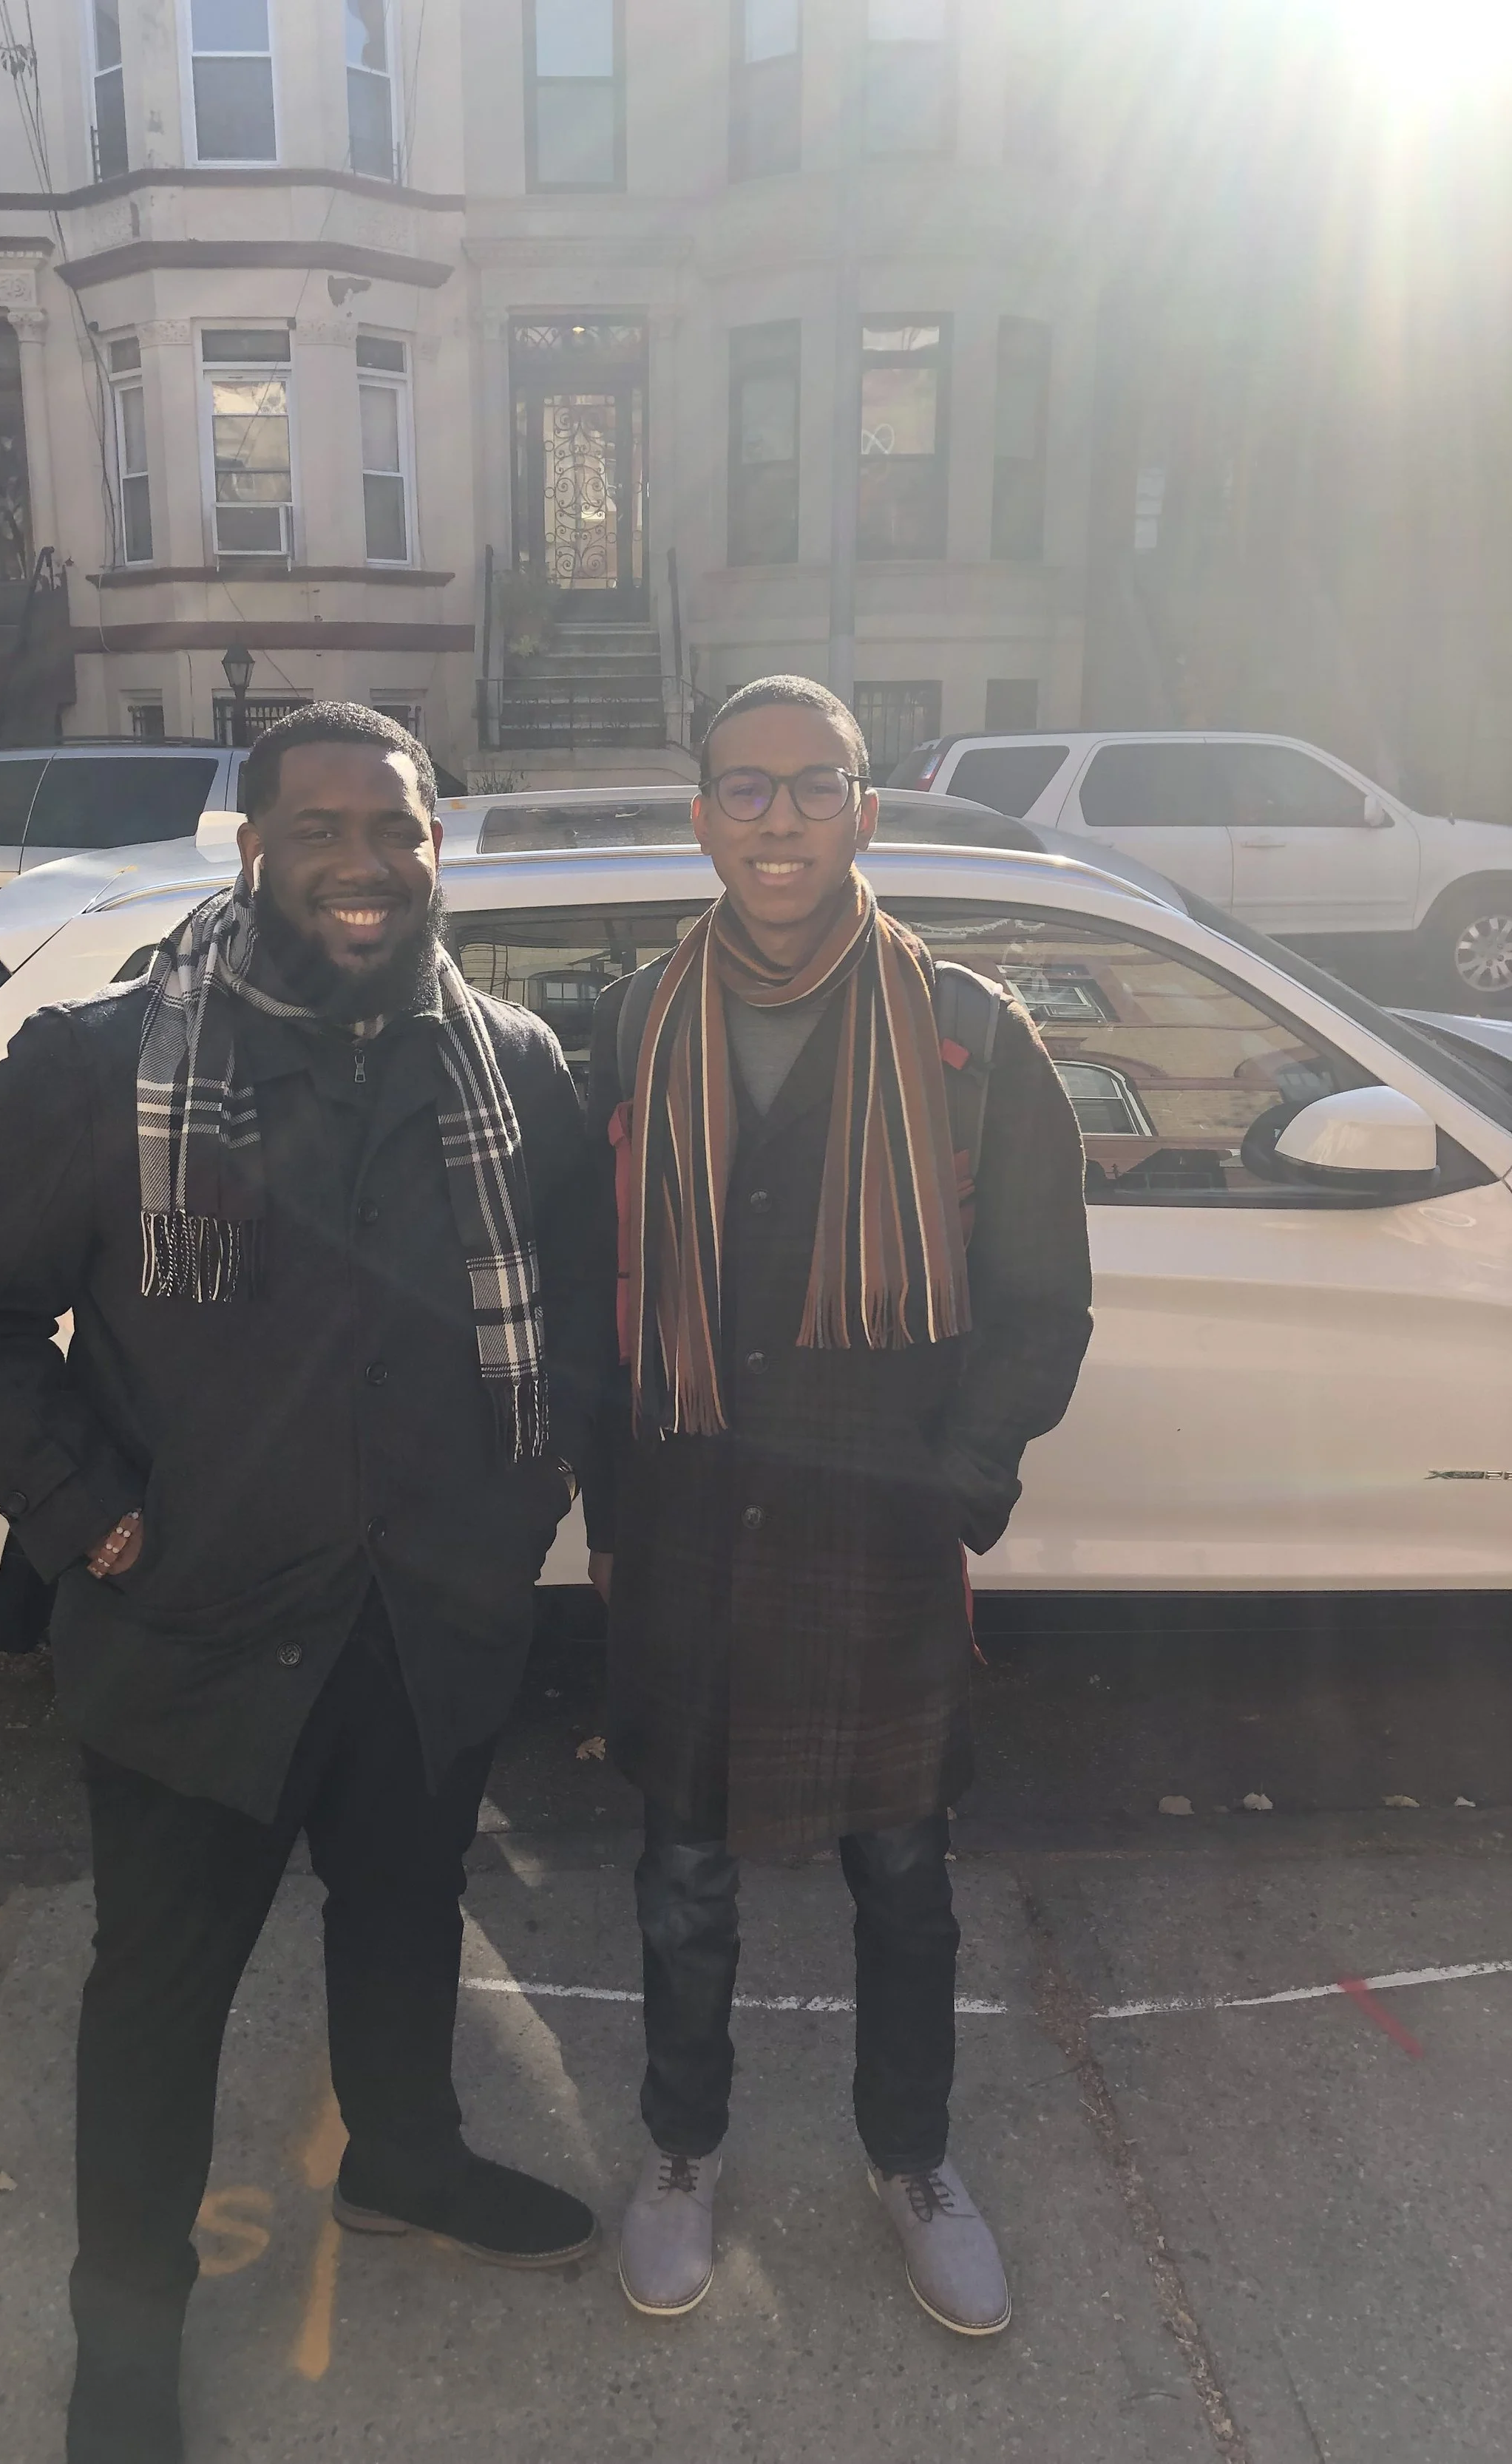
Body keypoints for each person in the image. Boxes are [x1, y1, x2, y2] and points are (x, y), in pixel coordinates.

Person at [0, 702, 599, 2464]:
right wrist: (88, 1515)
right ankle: (124, 2332)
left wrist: (515, 1509)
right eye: (321, 828)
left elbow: (575, 1320)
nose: (365, 863)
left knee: (404, 1914)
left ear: (435, 848)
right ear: (251, 847)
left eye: (397, 828)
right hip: (192, 1634)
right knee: (157, 1995)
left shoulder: (511, 1066)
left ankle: (405, 2159)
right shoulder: (98, 1067)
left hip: (423, 1621)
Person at [583, 675, 1092, 2336]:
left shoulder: (967, 1035)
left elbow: (1041, 1303)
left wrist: (957, 1482)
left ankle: (911, 2156)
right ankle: (681, 2148)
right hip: (688, 1514)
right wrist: (606, 1501)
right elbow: (587, 1286)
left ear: (865, 812)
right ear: (701, 818)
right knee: (681, 1876)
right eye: (745, 787)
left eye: (815, 785)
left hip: (876, 1528)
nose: (779, 817)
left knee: (903, 1875)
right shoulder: (632, 1022)